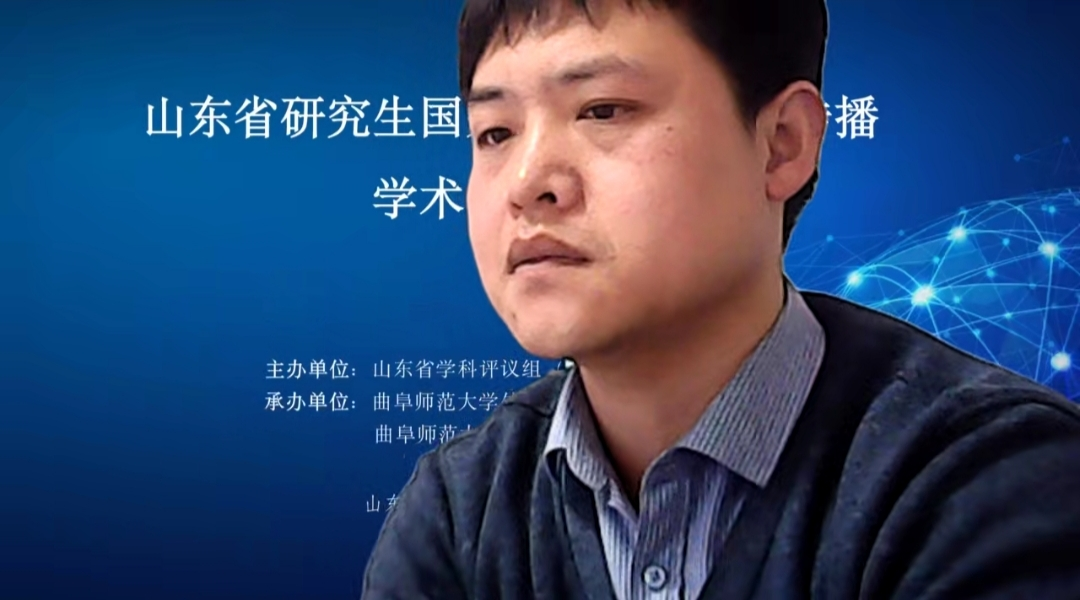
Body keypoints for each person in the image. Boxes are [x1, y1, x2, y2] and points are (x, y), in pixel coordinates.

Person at [361, 0, 1080, 598]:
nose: (526, 183)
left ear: (782, 143)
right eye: (494, 133)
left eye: (602, 110)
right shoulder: (461, 511)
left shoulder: (988, 479)